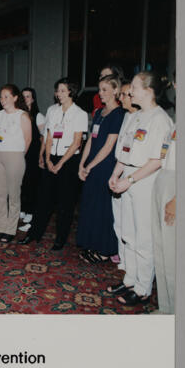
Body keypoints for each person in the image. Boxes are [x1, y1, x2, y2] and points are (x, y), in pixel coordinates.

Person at [107, 71, 173, 306]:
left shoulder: (160, 119)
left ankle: (143, 288)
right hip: (128, 176)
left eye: (134, 87)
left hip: (144, 181)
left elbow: (156, 160)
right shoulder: (135, 117)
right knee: (128, 234)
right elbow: (124, 151)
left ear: (148, 91)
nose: (130, 91)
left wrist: (130, 180)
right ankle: (130, 279)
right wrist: (116, 174)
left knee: (143, 238)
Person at [19, 78, 88, 250]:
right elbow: (49, 137)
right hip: (52, 158)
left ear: (71, 92)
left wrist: (61, 163)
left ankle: (60, 239)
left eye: (63, 91)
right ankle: (34, 234)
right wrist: (47, 158)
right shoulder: (52, 110)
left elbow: (77, 142)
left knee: (65, 203)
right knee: (43, 199)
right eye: (58, 91)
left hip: (69, 160)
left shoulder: (80, 114)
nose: (59, 94)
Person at [76, 75, 125, 263]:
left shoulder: (119, 114)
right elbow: (91, 140)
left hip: (104, 166)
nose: (101, 93)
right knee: (90, 207)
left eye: (105, 89)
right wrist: (82, 163)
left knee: (103, 209)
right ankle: (91, 244)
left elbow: (108, 146)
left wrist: (90, 165)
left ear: (115, 90)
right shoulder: (98, 113)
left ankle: (105, 249)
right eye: (100, 89)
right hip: (92, 165)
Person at [0, 84, 32, 243]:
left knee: (13, 194)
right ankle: (1, 227)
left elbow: (28, 139)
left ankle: (10, 229)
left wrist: (19, 156)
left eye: (6, 96)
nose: (3, 100)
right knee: (0, 194)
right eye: (1, 97)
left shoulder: (22, 116)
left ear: (15, 98)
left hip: (15, 155)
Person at [151, 79, 176, 314]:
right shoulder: (177, 120)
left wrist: (177, 200)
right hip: (163, 181)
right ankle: (166, 308)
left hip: (175, 189)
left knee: (173, 254)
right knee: (161, 251)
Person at [111, 81, 140, 270]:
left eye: (124, 95)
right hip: (120, 169)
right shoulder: (127, 117)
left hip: (133, 173)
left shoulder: (142, 118)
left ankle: (133, 267)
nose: (120, 98)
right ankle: (123, 260)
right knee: (119, 222)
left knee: (133, 227)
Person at [19, 87, 43, 231]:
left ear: (33, 99)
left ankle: (31, 211)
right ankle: (23, 208)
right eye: (23, 96)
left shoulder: (38, 116)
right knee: (21, 182)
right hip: (20, 152)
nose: (26, 99)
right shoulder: (19, 115)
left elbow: (43, 137)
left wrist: (40, 154)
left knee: (32, 183)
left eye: (28, 96)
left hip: (33, 154)